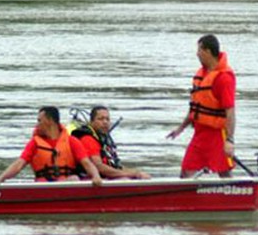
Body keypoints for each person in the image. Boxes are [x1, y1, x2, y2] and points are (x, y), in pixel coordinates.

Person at [167, 34, 236, 178]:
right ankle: (184, 199)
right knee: (186, 171)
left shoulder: (223, 78)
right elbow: (195, 107)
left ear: (208, 52)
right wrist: (180, 128)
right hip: (200, 134)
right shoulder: (202, 75)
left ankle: (239, 196)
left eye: (199, 50)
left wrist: (229, 140)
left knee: (224, 173)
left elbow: (230, 111)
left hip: (217, 134)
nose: (197, 54)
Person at [0, 106, 102, 189]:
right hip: (43, 185)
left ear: (49, 121)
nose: (37, 124)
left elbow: (87, 164)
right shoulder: (35, 143)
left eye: (39, 120)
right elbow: (18, 165)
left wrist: (96, 176)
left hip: (67, 183)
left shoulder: (72, 141)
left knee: (75, 179)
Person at [72, 106, 150, 179]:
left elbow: (115, 165)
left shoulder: (103, 139)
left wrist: (136, 172)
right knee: (124, 179)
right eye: (101, 119)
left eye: (107, 119)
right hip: (89, 179)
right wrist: (131, 174)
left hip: (105, 178)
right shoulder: (88, 139)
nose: (105, 122)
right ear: (91, 122)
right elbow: (99, 167)